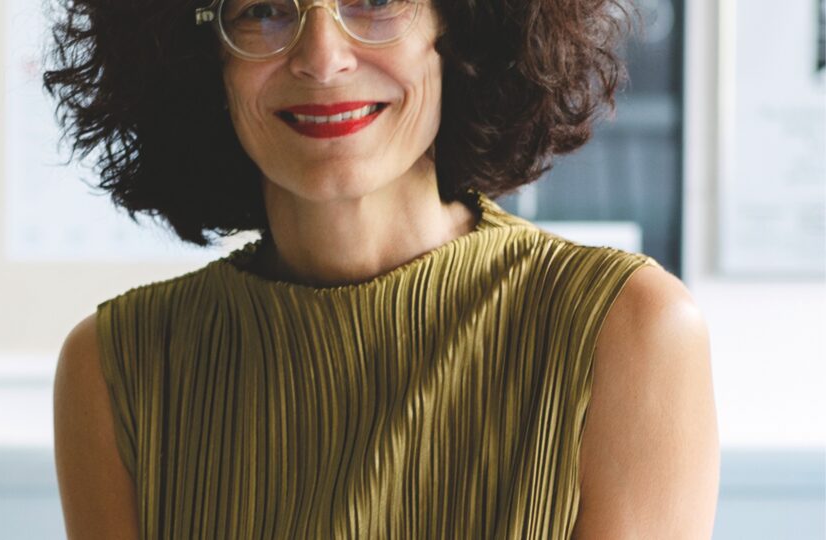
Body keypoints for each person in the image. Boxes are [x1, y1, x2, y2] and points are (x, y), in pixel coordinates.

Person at [44, 0, 720, 537]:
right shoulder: (115, 370)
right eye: (263, 10)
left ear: (456, 26)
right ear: (203, 58)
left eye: (375, 0)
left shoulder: (627, 332)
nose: (321, 58)